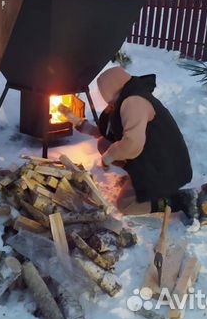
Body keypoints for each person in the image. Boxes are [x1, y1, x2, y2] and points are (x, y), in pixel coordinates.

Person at [59, 67, 194, 216]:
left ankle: (176, 200)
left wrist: (109, 157)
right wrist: (78, 122)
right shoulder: (127, 97)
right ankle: (138, 180)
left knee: (125, 205)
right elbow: (108, 135)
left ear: (110, 90)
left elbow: (132, 144)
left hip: (166, 167)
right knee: (104, 144)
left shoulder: (133, 103)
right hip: (153, 157)